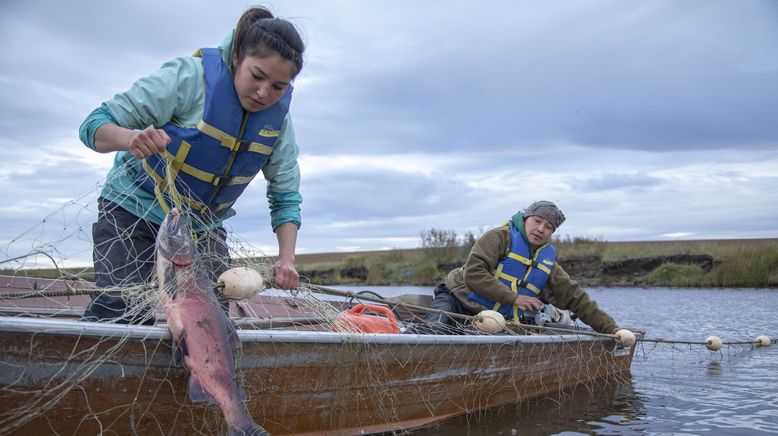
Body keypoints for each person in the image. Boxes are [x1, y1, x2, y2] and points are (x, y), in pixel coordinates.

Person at [80, 6, 305, 324]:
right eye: (257, 76)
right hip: (133, 211)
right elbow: (94, 125)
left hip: (201, 226)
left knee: (209, 323)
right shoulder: (186, 78)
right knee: (122, 313)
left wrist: (286, 259)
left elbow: (286, 194)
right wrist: (130, 138)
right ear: (238, 57)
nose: (263, 93)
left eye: (278, 87)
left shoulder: (279, 122)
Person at [412, 200, 622, 335]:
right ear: (525, 219)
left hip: (499, 321)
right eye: (537, 221)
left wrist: (612, 329)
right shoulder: (498, 237)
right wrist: (514, 298)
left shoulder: (548, 264)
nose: (541, 229)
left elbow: (577, 299)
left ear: (552, 233)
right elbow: (474, 273)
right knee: (435, 331)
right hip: (458, 301)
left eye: (548, 227)